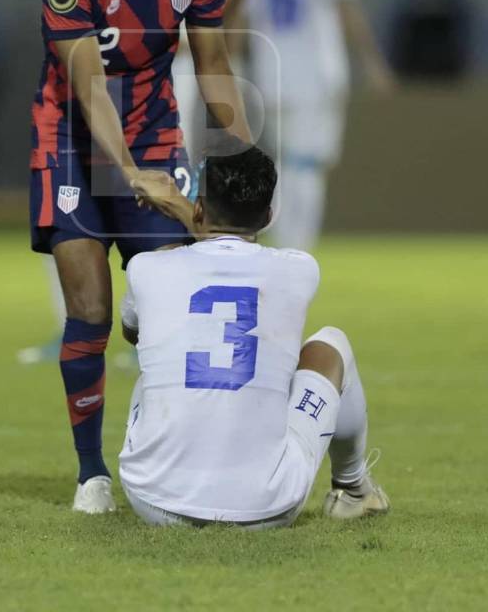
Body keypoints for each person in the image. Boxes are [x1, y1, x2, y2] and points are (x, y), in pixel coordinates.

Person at [30, 0, 253, 513]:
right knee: (89, 308)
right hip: (69, 137)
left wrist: (245, 157)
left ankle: (168, 458)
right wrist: (128, 174)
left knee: (169, 313)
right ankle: (91, 471)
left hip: (154, 131)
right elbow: (90, 84)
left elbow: (213, 65)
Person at [118, 145, 389, 526]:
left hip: (153, 500)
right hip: (268, 507)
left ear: (199, 207)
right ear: (268, 215)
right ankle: (354, 489)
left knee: (157, 362)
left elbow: (132, 334)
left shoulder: (146, 268)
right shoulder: (299, 270)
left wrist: (181, 206)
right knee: (332, 344)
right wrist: (186, 207)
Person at [242, 0, 392, 251]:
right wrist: (373, 63)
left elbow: (238, 7)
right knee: (307, 163)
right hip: (315, 69)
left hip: (269, 66)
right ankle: (298, 249)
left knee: (282, 161)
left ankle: (278, 241)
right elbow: (344, 5)